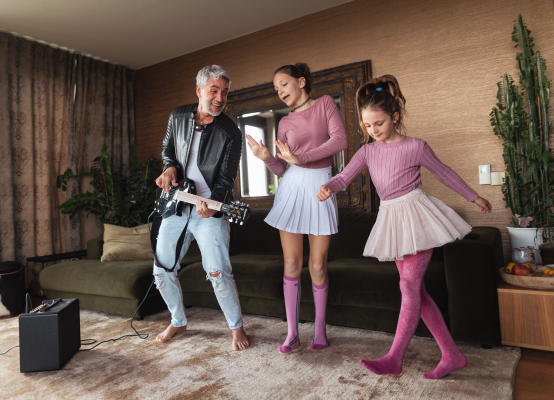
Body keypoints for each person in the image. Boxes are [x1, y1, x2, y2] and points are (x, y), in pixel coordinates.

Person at [316, 75, 492, 379]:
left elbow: (445, 174)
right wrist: (328, 187)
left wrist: (474, 196)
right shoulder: (368, 151)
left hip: (417, 216)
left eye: (379, 124)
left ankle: (394, 357)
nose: (373, 131)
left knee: (408, 286)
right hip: (391, 219)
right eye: (368, 126)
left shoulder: (416, 146)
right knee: (418, 293)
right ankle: (452, 355)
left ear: (395, 117)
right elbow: (343, 178)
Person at [246, 63, 347, 354]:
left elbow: (340, 140)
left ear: (301, 81)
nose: (280, 92)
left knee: (317, 265)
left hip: (320, 188)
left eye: (284, 85)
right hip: (291, 188)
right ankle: (291, 333)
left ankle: (319, 329)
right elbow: (282, 168)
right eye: (277, 89)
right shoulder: (284, 122)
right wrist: (266, 157)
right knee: (291, 263)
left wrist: (299, 158)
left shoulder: (325, 104)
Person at [153, 65, 249, 351]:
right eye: (214, 90)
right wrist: (169, 168)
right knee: (160, 270)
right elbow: (168, 150)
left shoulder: (231, 132)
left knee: (218, 271)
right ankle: (178, 320)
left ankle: (236, 328)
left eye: (225, 92)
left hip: (209, 208)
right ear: (199, 91)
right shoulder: (178, 116)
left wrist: (213, 204)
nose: (220, 98)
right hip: (177, 205)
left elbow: (225, 177)